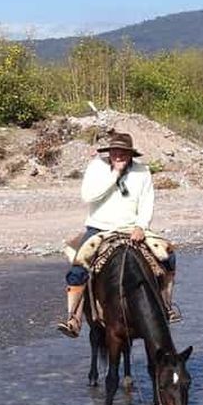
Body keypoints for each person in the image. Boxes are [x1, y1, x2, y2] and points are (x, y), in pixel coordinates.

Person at [57, 129, 178, 337]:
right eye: (115, 151)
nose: (118, 155)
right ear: (109, 152)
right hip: (99, 228)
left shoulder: (142, 171)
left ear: (131, 154)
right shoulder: (97, 167)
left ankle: (167, 306)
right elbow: (88, 196)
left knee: (168, 257)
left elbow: (147, 201)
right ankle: (74, 318)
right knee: (78, 268)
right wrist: (115, 175)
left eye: (123, 152)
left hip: (133, 229)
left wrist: (141, 225)